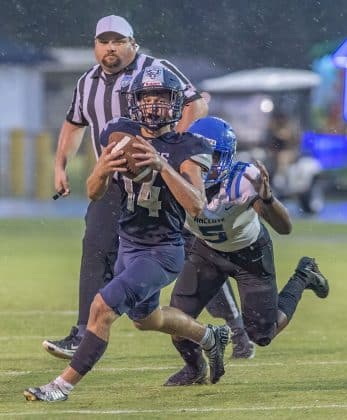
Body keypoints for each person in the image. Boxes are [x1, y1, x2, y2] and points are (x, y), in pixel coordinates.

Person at [24, 67, 231, 402]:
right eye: (146, 97)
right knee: (148, 319)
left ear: (176, 103)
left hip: (163, 251)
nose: (153, 105)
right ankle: (210, 337)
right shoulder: (120, 134)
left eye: (161, 97)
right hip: (129, 245)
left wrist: (163, 166)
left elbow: (196, 207)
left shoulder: (188, 146)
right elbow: (93, 191)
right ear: (135, 102)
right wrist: (102, 170)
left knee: (102, 307)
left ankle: (60, 387)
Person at [43, 15, 208, 359]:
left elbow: (195, 101)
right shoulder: (87, 82)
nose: (111, 48)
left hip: (161, 177)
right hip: (116, 179)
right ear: (95, 45)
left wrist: (174, 148)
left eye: (118, 41)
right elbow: (74, 124)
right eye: (104, 41)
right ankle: (79, 333)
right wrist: (59, 165)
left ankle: (232, 327)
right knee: (97, 248)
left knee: (194, 248)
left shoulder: (155, 68)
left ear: (133, 43)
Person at [164, 116, 329, 386]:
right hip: (207, 251)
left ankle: (303, 275)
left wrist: (267, 199)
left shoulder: (244, 179)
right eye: (199, 153)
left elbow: (284, 227)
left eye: (213, 156)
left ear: (227, 157)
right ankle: (194, 368)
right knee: (177, 319)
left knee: (262, 335)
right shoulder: (176, 174)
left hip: (249, 255)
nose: (206, 163)